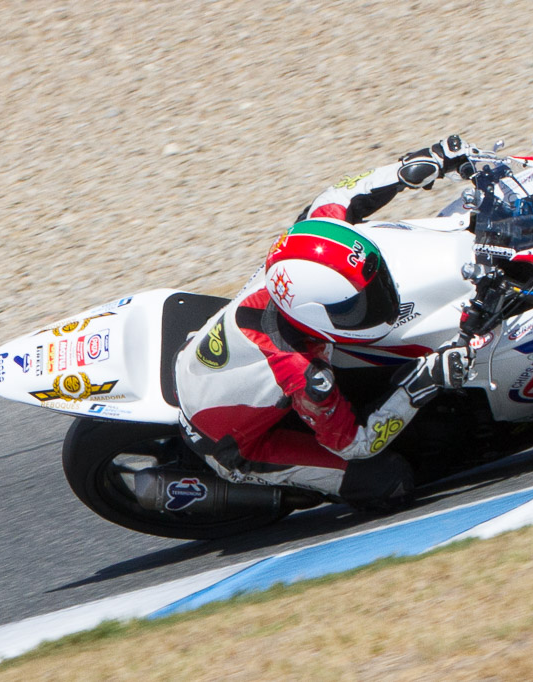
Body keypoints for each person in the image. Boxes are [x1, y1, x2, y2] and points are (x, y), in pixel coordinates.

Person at [173, 136, 475, 511]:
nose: (373, 305)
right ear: (311, 314)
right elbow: (353, 444)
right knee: (389, 480)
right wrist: (426, 380)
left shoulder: (301, 251)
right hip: (233, 444)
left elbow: (341, 194)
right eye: (354, 307)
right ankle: (284, 486)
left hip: (217, 369)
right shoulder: (302, 373)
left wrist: (412, 168)